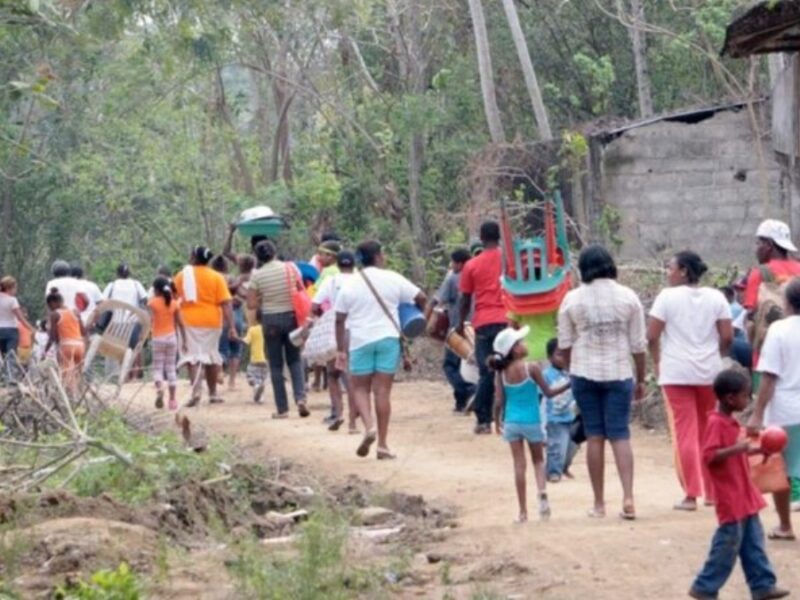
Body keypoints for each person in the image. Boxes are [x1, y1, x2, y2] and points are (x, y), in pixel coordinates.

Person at [557, 244, 647, 520]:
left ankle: (599, 504)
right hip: (619, 372)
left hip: (584, 373)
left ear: (583, 269)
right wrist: (640, 379)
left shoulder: (572, 299)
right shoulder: (628, 297)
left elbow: (565, 343)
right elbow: (638, 345)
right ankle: (628, 498)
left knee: (594, 435)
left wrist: (572, 370)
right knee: (620, 434)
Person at [689, 369, 789, 600]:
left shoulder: (730, 422)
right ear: (730, 398)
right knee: (727, 545)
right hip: (730, 497)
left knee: (753, 543)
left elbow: (734, 453)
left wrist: (758, 449)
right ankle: (704, 586)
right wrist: (739, 448)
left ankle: (763, 585)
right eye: (746, 395)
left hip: (744, 495)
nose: (749, 400)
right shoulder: (716, 423)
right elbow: (710, 456)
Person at [647, 251, 733, 511]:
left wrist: (657, 361)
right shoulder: (717, 297)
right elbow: (727, 337)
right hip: (709, 371)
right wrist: (715, 356)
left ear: (683, 270)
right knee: (709, 430)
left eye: (670, 268)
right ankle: (712, 492)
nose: (668, 272)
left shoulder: (667, 297)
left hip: (676, 371)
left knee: (685, 431)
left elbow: (652, 336)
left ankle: (691, 493)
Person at [334, 240, 426, 459]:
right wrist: (414, 316)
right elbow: (421, 297)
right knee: (383, 392)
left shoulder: (350, 284)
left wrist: (340, 350)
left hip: (360, 341)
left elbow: (339, 319)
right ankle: (383, 445)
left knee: (359, 389)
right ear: (378, 256)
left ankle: (369, 427)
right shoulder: (393, 278)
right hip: (388, 339)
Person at [490, 326, 569, 523]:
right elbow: (549, 393)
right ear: (514, 350)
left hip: (512, 422)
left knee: (519, 464)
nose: (524, 344)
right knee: (538, 461)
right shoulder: (531, 368)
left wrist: (497, 422)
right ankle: (542, 494)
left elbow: (499, 401)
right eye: (520, 342)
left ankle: (523, 511)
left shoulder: (501, 374)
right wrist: (569, 384)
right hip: (532, 421)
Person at [747, 277, 800, 541]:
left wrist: (757, 414)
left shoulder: (779, 330)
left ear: (788, 303)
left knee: (784, 471)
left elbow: (769, 377)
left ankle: (785, 525)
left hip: (786, 410)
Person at [247, 240, 309, 419]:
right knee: (294, 360)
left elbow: (251, 304)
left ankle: (282, 409)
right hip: (291, 318)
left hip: (270, 320)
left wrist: (262, 297)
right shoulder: (290, 268)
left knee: (275, 365)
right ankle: (300, 398)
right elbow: (300, 289)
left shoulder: (257, 276)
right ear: (275, 252)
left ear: (258, 256)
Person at [457, 221, 508, 434]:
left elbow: (465, 298)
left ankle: (484, 421)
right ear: (499, 236)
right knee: (510, 369)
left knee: (486, 373)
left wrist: (460, 323)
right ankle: (508, 416)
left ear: (481, 237)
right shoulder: (509, 260)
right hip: (509, 319)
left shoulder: (471, 265)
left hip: (484, 322)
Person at [174, 246, 237, 406]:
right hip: (212, 321)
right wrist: (231, 326)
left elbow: (173, 299)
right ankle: (213, 393)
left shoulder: (182, 276)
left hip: (188, 321)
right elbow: (226, 303)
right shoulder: (216, 277)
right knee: (211, 356)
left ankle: (196, 392)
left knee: (192, 358)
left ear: (194, 257)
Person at [743, 219, 800, 364]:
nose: (756, 248)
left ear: (769, 245)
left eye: (758, 243)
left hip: (767, 355)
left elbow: (751, 315)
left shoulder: (760, 273)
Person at [426, 248, 476, 413]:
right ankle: (466, 400)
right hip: (478, 327)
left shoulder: (454, 278)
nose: (452, 265)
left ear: (460, 263)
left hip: (459, 330)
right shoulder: (479, 275)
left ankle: (468, 393)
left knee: (450, 366)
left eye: (453, 262)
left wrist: (425, 319)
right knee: (475, 365)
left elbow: (436, 300)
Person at [312, 249, 357, 432]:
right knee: (352, 377)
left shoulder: (331, 281)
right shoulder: (361, 280)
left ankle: (338, 413)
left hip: (336, 330)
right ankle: (354, 419)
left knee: (333, 374)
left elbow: (314, 305)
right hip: (358, 331)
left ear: (338, 265)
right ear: (354, 265)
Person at [148, 276, 187, 411]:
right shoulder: (174, 303)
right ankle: (172, 400)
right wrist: (185, 341)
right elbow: (181, 324)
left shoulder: (152, 303)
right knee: (171, 368)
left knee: (158, 368)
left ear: (156, 290)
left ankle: (159, 389)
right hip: (172, 338)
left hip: (157, 338)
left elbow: (150, 321)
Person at [543, 338, 579, 482]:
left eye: (566, 354)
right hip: (555, 417)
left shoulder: (572, 372)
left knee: (572, 446)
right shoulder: (546, 374)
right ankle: (553, 471)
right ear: (549, 357)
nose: (563, 358)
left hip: (572, 415)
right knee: (557, 446)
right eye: (559, 354)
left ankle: (564, 467)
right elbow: (543, 396)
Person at [45, 287, 87, 397]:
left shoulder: (55, 314)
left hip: (66, 345)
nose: (50, 308)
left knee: (66, 373)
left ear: (53, 303)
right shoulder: (75, 312)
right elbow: (83, 331)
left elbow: (53, 336)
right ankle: (79, 395)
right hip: (79, 345)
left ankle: (69, 397)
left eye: (49, 306)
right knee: (77, 373)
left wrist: (45, 351)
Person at [212, 256, 245, 391]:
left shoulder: (213, 278)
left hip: (221, 315)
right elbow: (242, 295)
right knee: (235, 349)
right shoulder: (232, 278)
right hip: (236, 315)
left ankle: (219, 371)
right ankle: (232, 381)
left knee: (221, 349)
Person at [0, 276, 35, 383]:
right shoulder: (12, 300)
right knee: (11, 354)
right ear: (9, 288)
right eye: (15, 288)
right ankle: (10, 378)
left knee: (3, 355)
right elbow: (20, 318)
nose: (15, 291)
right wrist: (31, 328)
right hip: (11, 331)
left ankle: (4, 376)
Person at [242, 316, 269, 404]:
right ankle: (260, 397)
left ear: (256, 319)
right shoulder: (268, 330)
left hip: (254, 359)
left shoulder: (252, 329)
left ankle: (257, 387)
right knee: (261, 379)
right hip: (265, 360)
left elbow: (246, 342)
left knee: (251, 378)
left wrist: (236, 338)